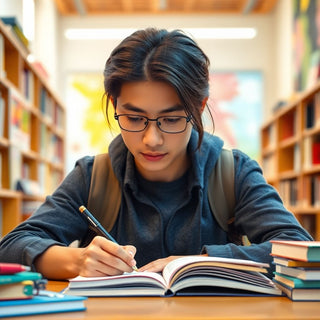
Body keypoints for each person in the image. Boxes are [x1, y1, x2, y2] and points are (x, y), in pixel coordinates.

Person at [0, 28, 313, 280]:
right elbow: (11, 247)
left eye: (172, 119)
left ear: (198, 109)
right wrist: (78, 260)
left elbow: (299, 250)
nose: (152, 139)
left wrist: (198, 263)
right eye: (134, 118)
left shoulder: (234, 172)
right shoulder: (92, 176)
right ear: (114, 106)